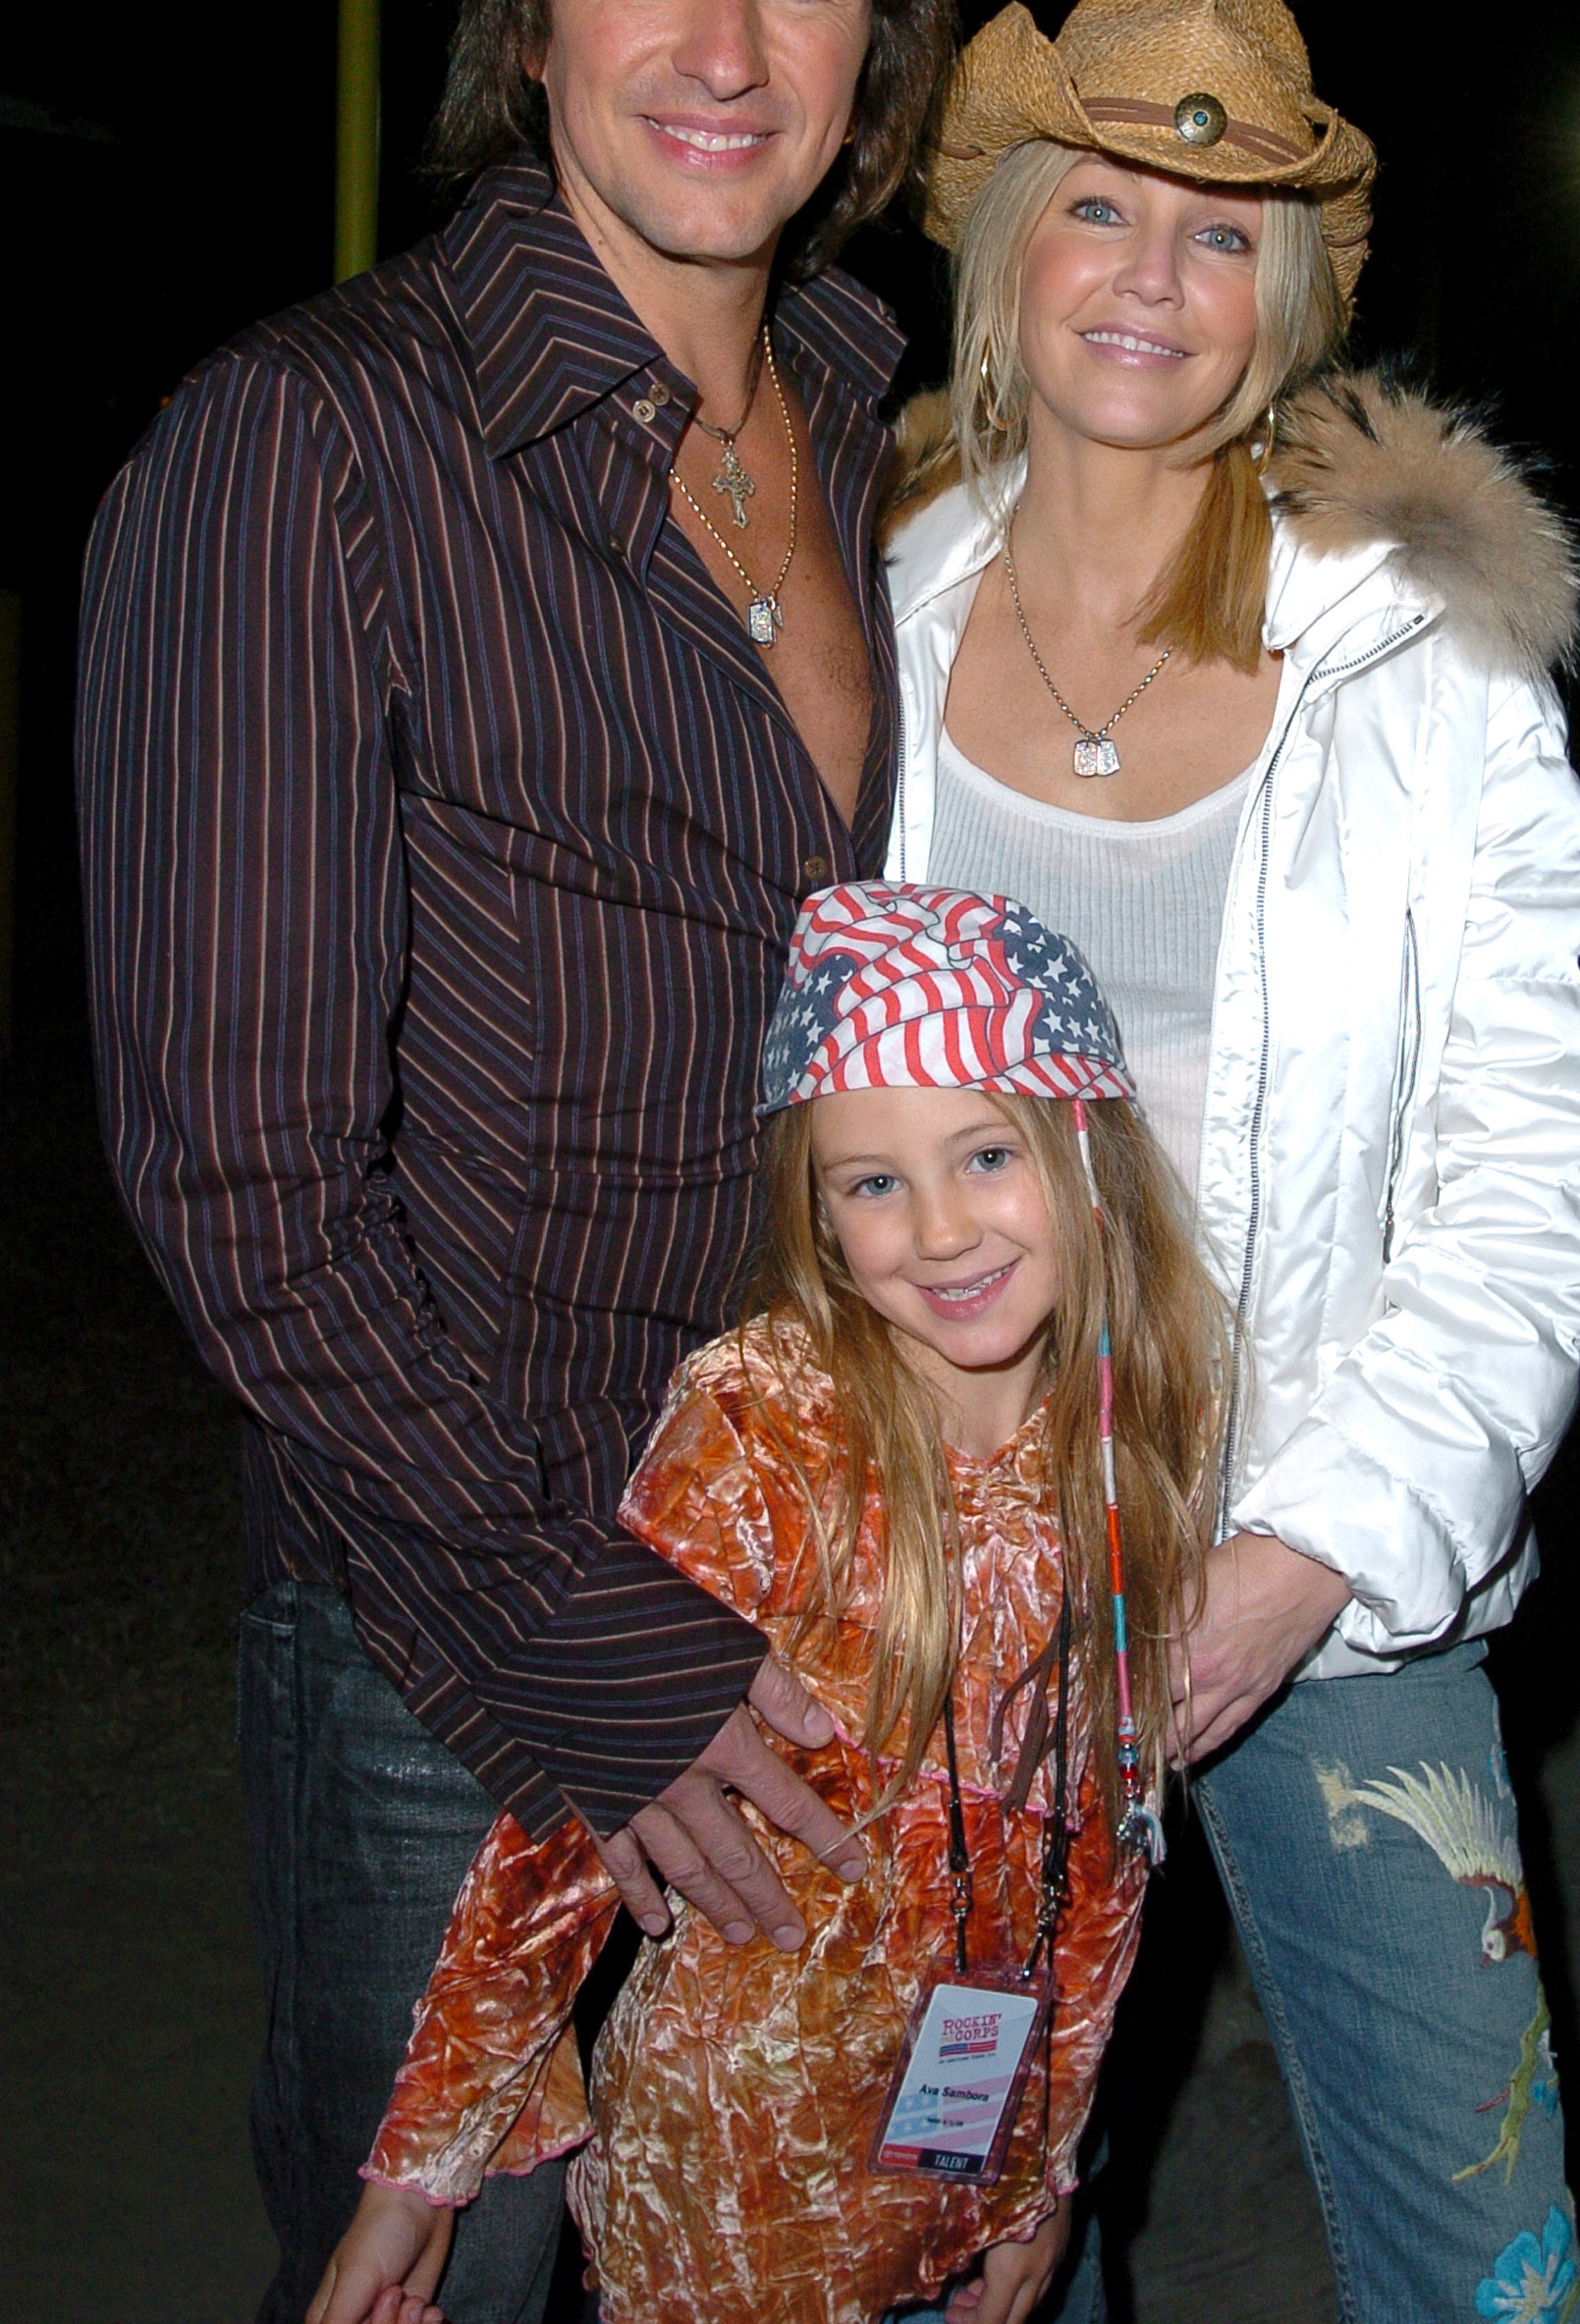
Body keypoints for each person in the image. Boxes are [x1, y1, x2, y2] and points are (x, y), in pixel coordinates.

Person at [76, 0, 955, 2324]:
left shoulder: (869, 437)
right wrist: (591, 1657)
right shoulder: (303, 446)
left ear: (870, 49)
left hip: (815, 1587)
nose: (725, 39)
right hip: (450, 1630)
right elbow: (237, 1175)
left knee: (759, 2253)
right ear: (530, 11)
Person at [882, 0, 1580, 2321]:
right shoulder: (872, 611)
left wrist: (1312, 1552)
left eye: (1221, 231)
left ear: (1288, 295)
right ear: (1007, 243)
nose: (1153, 278)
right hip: (953, 1577)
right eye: (1100, 205)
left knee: (1485, 2264)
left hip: (1328, 1572)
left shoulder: (1420, 657)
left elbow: (1546, 1145)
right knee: (956, 2246)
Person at [304, 883, 1222, 2324]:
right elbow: (563, 1830)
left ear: (1084, 1142)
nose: (938, 1231)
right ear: (815, 1208)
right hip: (727, 2223)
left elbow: (1101, 1856)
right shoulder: (765, 1427)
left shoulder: (1128, 1431)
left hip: (965, 2197)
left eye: (985, 1154)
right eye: (871, 1183)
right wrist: (418, 2172)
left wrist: (1044, 2171)